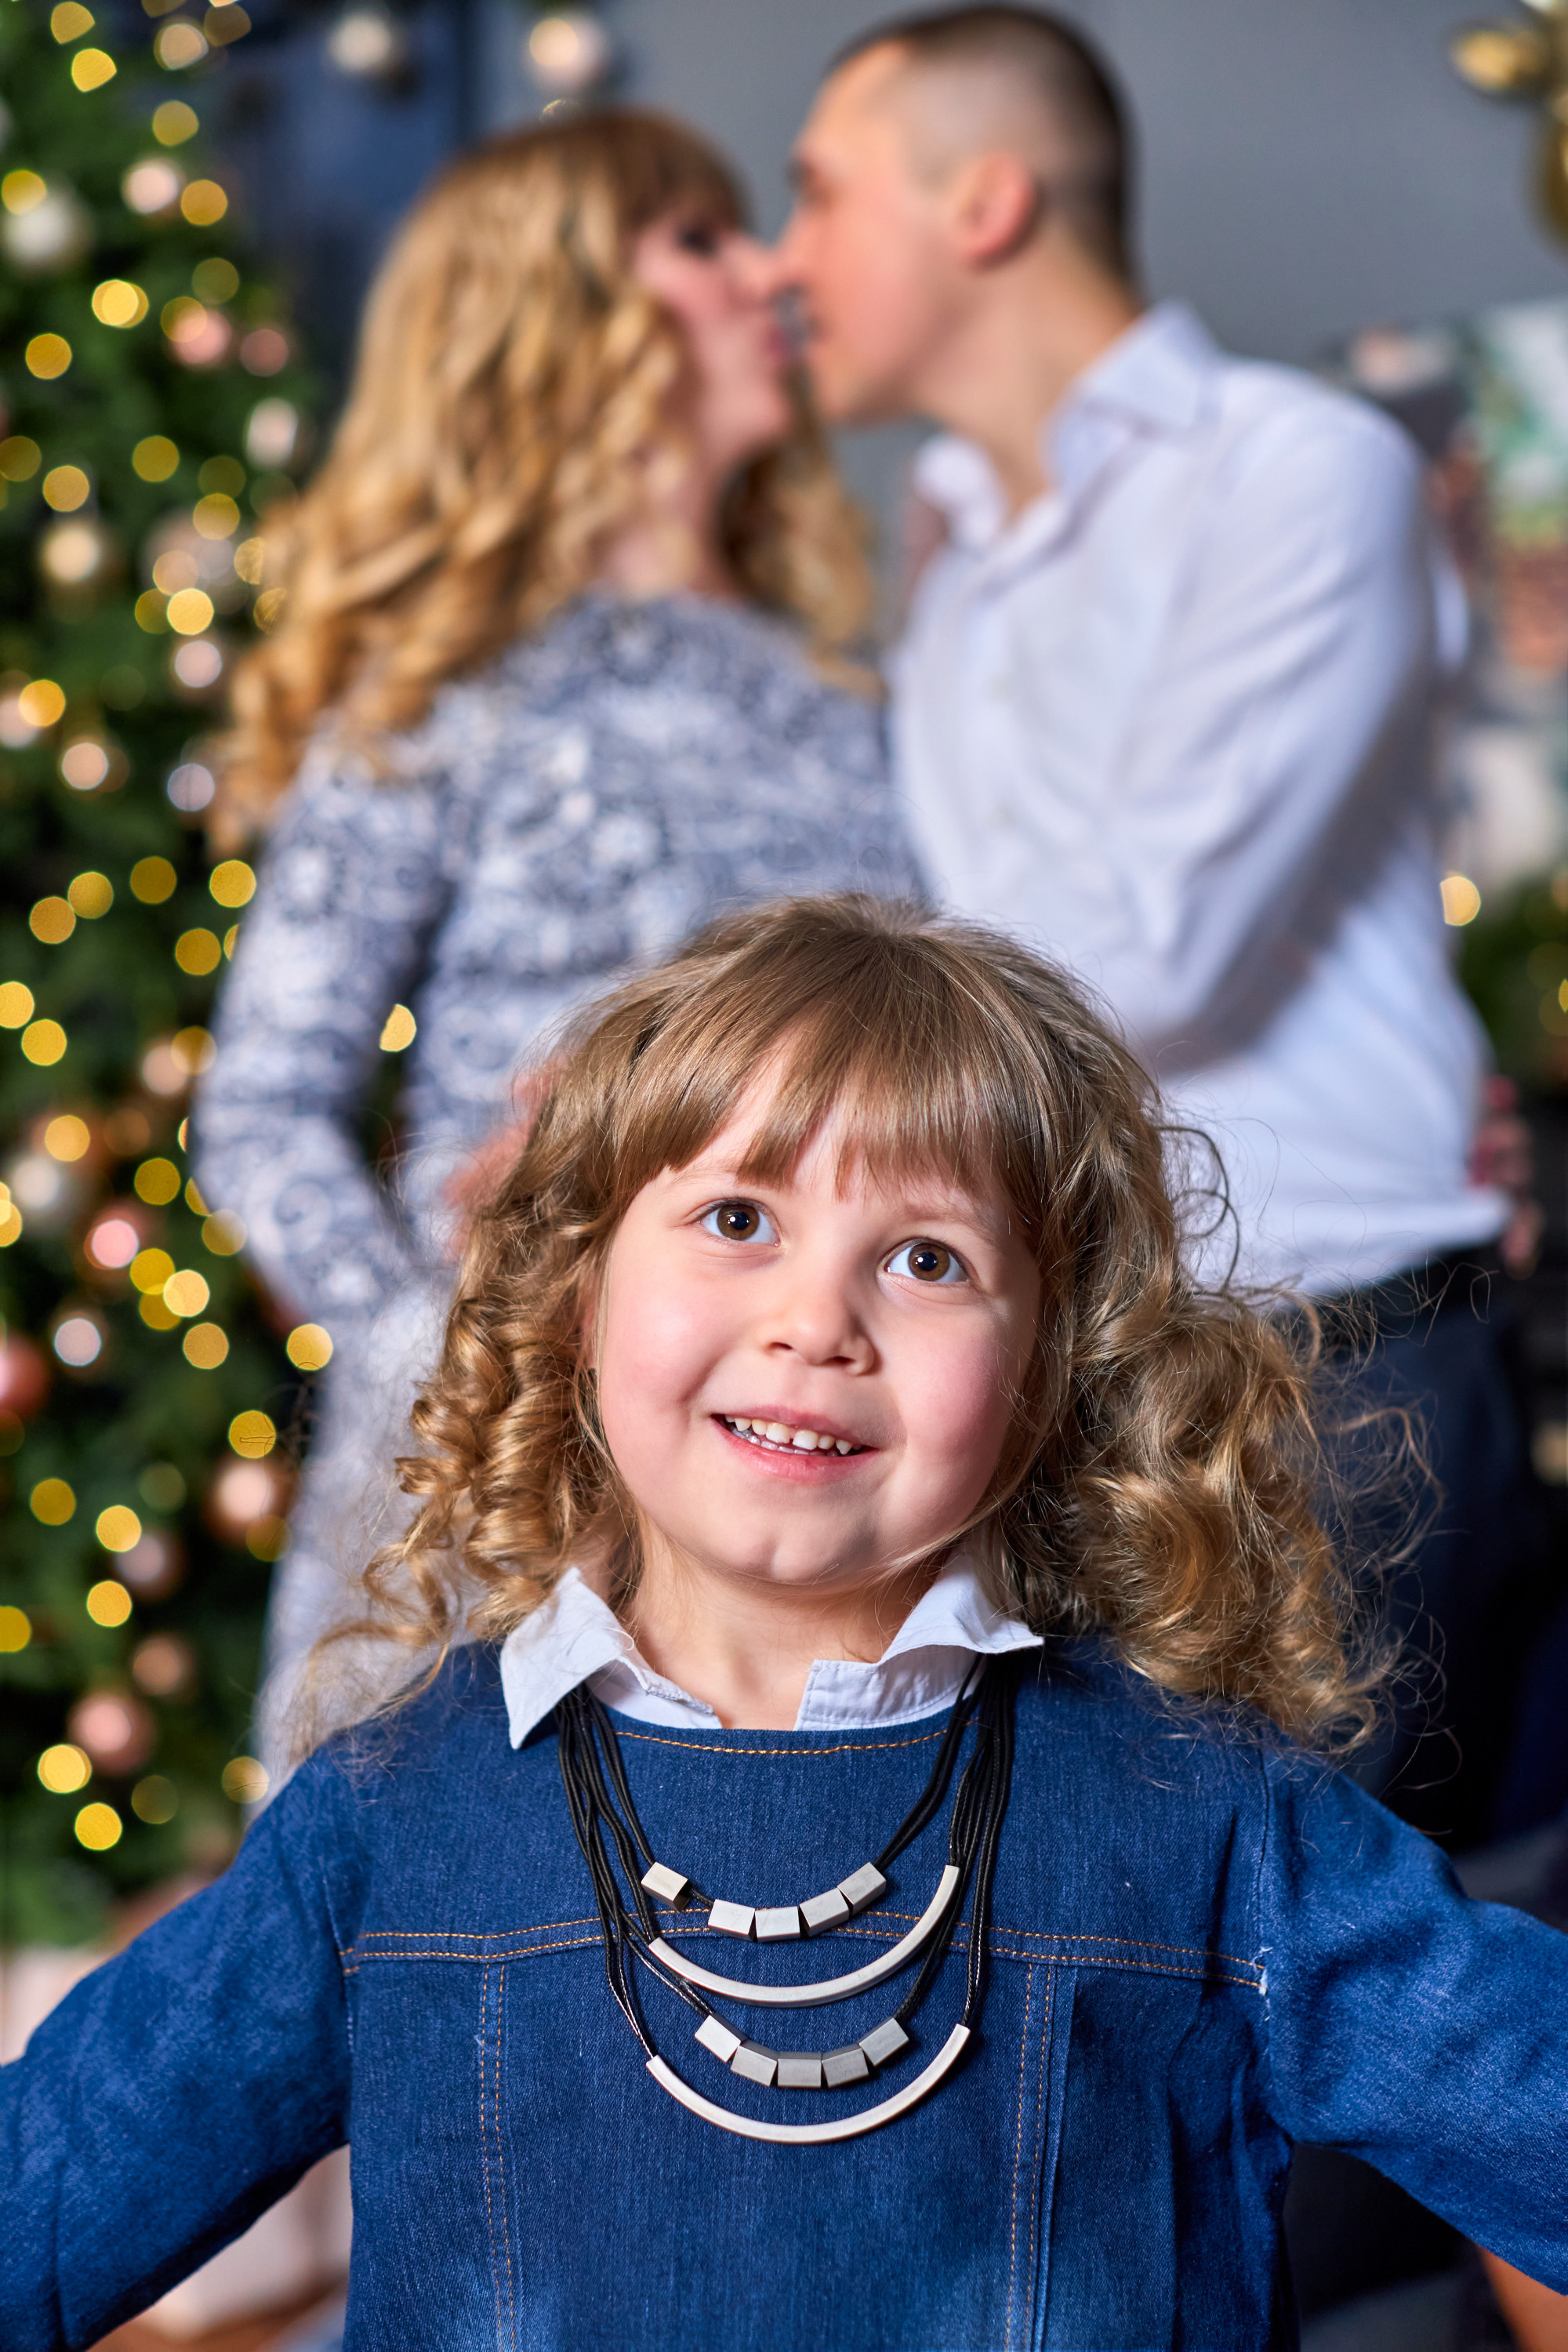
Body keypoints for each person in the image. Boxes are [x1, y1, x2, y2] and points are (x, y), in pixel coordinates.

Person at [6, 895, 1567, 2348]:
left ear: (1045, 1377)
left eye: (925, 1257)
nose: (817, 1320)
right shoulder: (387, 1830)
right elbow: (43, 2203)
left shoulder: (1214, 1830)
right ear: (577, 1295)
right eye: (738, 1218)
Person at [767, 6, 1548, 1846]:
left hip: (1329, 1383)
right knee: (1110, 2020)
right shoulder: (950, 536)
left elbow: (1145, 952)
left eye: (817, 197)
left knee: (1309, 2041)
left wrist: (768, 1040)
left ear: (985, 203)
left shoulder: (1298, 469)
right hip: (1082, 1364)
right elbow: (995, 939)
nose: (788, 258)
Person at [192, 111, 918, 1758]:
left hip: (798, 1470)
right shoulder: (441, 689)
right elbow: (260, 1105)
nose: (767, 275)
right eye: (699, 241)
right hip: (501, 1503)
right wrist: (432, 1362)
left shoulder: (853, 701)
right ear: (562, 309)